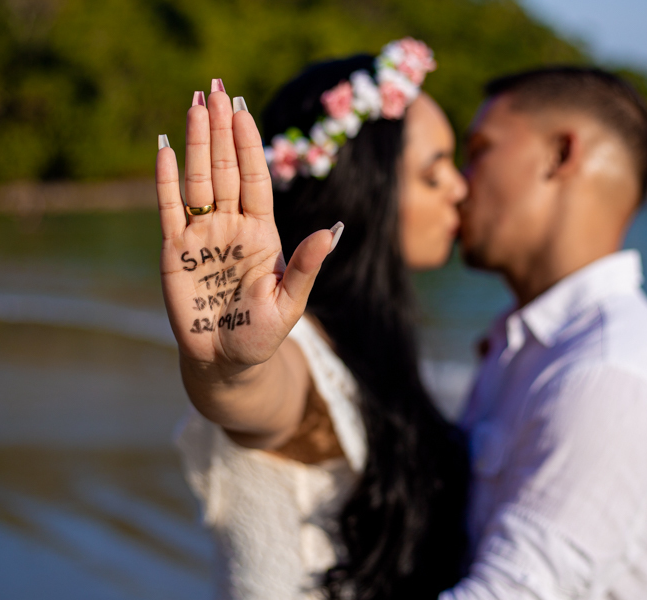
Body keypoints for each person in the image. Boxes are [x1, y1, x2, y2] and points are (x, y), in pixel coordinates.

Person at [155, 39, 470, 600]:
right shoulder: (293, 346)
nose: (460, 188)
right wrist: (226, 366)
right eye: (433, 172)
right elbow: (258, 398)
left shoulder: (369, 341)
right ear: (364, 184)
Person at [440, 67, 647, 599]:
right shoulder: (529, 343)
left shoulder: (609, 374)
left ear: (560, 155)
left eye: (479, 151)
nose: (457, 182)